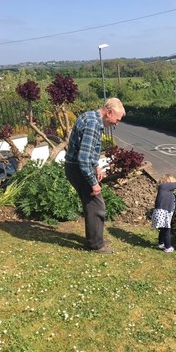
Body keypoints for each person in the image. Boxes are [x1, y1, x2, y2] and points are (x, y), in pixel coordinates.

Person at [65, 98, 126, 254]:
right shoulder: (93, 124)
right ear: (109, 112)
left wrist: (97, 165)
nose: (117, 124)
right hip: (78, 168)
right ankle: (96, 245)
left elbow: (90, 150)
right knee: (97, 206)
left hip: (77, 167)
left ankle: (95, 239)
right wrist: (93, 183)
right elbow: (83, 159)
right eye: (117, 120)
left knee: (91, 204)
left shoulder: (91, 117)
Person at [152, 174, 176, 253]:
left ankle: (161, 243)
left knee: (163, 230)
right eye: (172, 183)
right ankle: (168, 247)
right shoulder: (163, 187)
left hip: (166, 214)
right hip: (162, 213)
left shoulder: (172, 195)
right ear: (167, 183)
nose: (174, 185)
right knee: (167, 230)